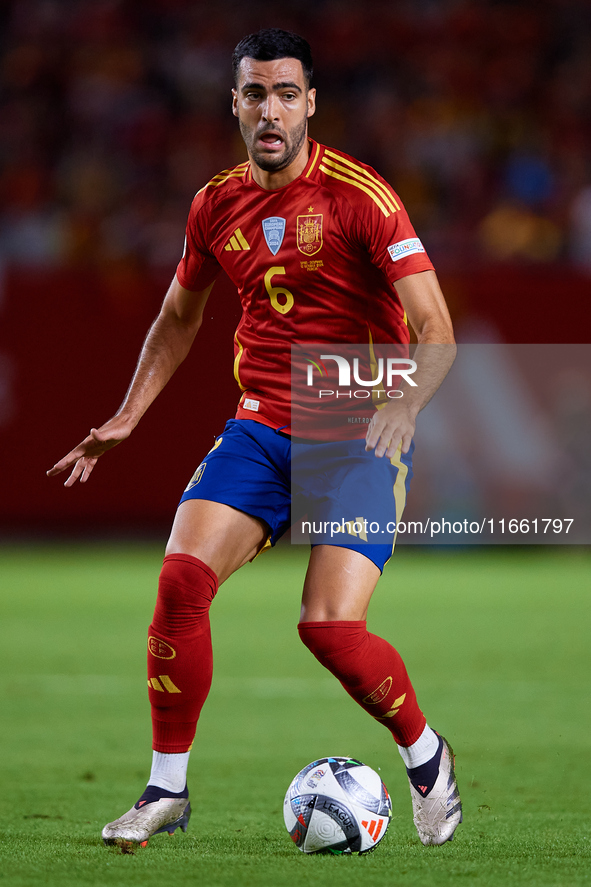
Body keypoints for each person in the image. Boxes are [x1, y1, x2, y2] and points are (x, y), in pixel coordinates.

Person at [47, 29, 461, 848]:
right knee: (178, 584)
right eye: (252, 94)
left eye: (283, 93)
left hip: (356, 436)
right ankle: (166, 790)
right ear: (233, 105)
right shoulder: (213, 204)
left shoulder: (362, 198)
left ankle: (424, 756)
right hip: (263, 425)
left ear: (309, 103)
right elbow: (177, 316)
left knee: (328, 630)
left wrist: (405, 404)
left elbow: (434, 325)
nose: (268, 109)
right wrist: (131, 412)